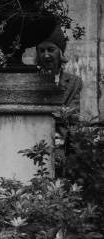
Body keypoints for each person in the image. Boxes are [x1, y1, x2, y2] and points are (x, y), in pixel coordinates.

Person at [35, 25, 83, 176]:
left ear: (60, 52)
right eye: (41, 51)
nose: (46, 55)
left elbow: (72, 117)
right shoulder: (32, 80)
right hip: (35, 146)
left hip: (64, 148)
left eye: (51, 49)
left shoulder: (74, 82)